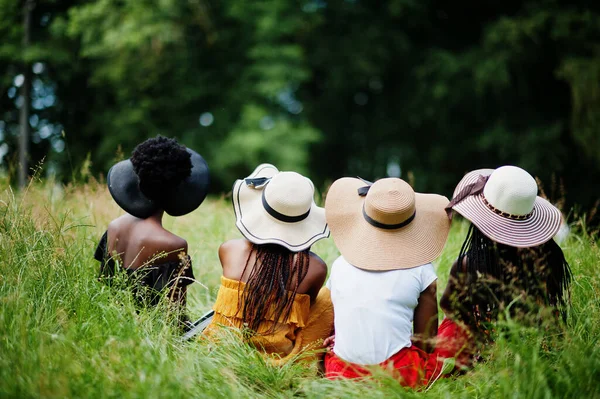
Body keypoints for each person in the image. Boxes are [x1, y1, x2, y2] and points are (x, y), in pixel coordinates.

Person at [323, 176, 467, 388]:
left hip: (341, 372)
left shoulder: (340, 264)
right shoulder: (421, 270)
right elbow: (425, 343)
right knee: (451, 339)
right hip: (397, 375)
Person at [202, 164, 333, 365]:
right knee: (328, 299)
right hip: (276, 357)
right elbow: (306, 316)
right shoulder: (315, 268)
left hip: (219, 349)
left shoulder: (229, 249)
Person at [440, 166, 572, 347]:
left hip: (485, 349)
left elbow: (448, 305)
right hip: (538, 346)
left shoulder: (466, 265)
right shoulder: (550, 260)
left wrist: (473, 326)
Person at [94, 136, 210, 312]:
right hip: (149, 334)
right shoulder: (173, 244)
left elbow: (105, 288)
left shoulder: (114, 226)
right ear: (179, 188)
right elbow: (175, 313)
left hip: (111, 323)